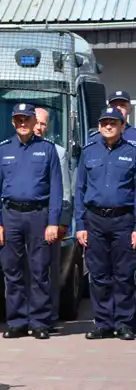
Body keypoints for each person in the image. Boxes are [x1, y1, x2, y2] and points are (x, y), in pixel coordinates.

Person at [0, 103, 63, 340]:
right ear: (13, 122)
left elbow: (56, 189)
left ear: (34, 122)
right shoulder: (2, 150)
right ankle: (17, 321)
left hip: (38, 216)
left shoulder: (47, 149)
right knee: (12, 271)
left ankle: (40, 321)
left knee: (40, 269)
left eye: (27, 119)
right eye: (18, 120)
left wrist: (53, 222)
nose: (23, 123)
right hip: (10, 216)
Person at [74, 106, 136, 340]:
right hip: (95, 220)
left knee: (124, 274)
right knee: (99, 274)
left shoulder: (132, 152)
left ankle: (124, 323)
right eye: (104, 123)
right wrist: (80, 224)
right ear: (99, 127)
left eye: (113, 122)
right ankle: (102, 322)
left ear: (122, 126)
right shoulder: (89, 152)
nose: (108, 126)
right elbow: (80, 189)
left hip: (124, 219)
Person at [34, 106, 74, 328]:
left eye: (42, 124)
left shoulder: (57, 152)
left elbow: (65, 192)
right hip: (25, 217)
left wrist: (62, 223)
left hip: (50, 218)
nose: (38, 127)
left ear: (47, 126)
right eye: (36, 122)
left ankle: (49, 316)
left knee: (49, 268)